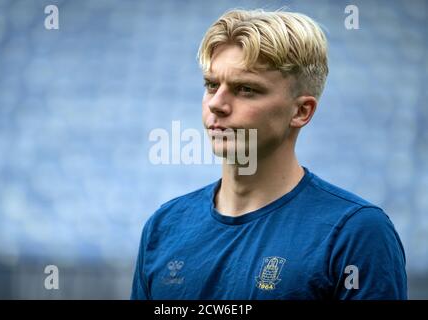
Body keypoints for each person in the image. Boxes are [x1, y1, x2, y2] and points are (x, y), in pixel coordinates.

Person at [131, 9, 407, 300]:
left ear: (301, 111)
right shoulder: (165, 227)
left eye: (246, 89)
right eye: (212, 84)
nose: (217, 104)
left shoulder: (356, 233)